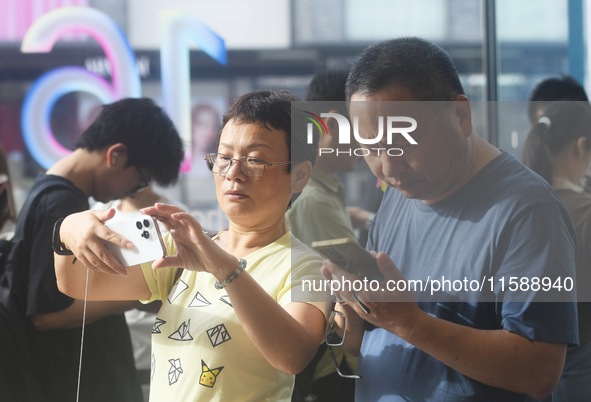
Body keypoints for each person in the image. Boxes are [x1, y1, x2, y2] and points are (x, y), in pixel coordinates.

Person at [320, 37, 578, 401]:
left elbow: (539, 369)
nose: (390, 167)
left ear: (460, 116)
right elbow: (375, 340)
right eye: (371, 147)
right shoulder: (399, 195)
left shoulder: (527, 210)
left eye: (405, 140)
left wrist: (408, 323)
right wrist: (356, 315)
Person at [53, 89, 331, 401]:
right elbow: (76, 283)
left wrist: (224, 267)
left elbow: (292, 355)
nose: (233, 174)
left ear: (299, 175)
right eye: (224, 158)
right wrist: (66, 231)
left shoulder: (309, 268)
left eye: (255, 160)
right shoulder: (181, 247)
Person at [21, 97, 184, 402]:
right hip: (76, 379)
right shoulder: (61, 206)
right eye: (138, 183)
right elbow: (45, 315)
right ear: (116, 155)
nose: (130, 193)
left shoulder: (49, 194)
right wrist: (140, 292)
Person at [288, 68, 361, 402]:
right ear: (331, 126)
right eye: (362, 130)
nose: (368, 142)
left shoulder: (320, 191)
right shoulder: (316, 201)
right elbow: (358, 288)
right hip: (327, 373)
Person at [522, 101, 591, 402]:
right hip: (579, 359)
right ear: (581, 147)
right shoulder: (585, 210)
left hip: (521, 358)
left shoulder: (518, 206)